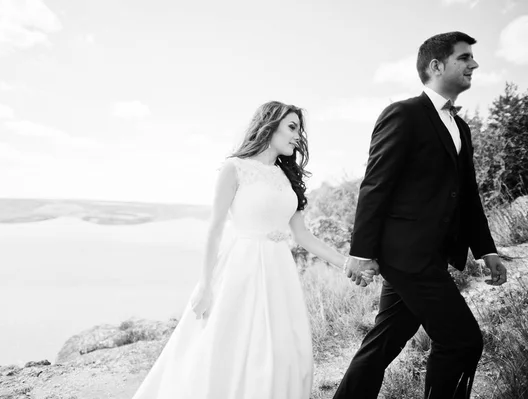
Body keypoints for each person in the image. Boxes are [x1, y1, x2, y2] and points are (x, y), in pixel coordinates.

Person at [131, 101, 374, 399]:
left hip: (279, 273)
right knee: (230, 350)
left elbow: (304, 236)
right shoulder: (234, 168)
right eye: (292, 127)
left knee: (284, 352)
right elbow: (215, 229)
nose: (298, 136)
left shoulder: (289, 178)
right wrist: (205, 285)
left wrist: (347, 264)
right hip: (240, 269)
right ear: (269, 125)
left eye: (300, 129)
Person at [335, 31, 508, 399]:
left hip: (431, 254)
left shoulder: (460, 127)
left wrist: (486, 250)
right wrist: (360, 251)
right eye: (464, 58)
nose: (474, 64)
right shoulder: (404, 114)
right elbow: (375, 185)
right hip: (408, 256)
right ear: (436, 65)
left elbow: (467, 197)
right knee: (462, 341)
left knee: (383, 344)